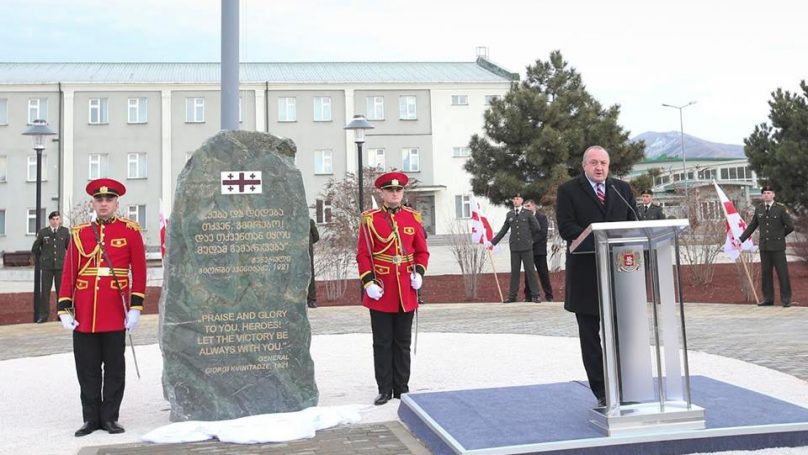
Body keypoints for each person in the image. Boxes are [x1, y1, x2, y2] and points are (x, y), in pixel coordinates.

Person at [57, 178, 146, 437]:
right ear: (93, 203)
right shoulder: (79, 233)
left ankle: (110, 417)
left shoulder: (130, 230)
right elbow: (68, 274)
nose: (104, 203)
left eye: (109, 199)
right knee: (87, 368)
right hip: (85, 312)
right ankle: (90, 418)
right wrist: (64, 308)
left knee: (115, 368)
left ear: (117, 203)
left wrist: (135, 307)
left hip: (115, 310)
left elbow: (138, 272)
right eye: (99, 200)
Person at [555, 145, 637, 407]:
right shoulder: (568, 191)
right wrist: (598, 236)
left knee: (621, 335)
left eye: (603, 163)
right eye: (594, 163)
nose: (599, 167)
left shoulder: (622, 190)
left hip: (618, 275)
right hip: (586, 276)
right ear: (584, 166)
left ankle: (625, 384)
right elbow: (566, 227)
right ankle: (602, 390)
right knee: (591, 337)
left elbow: (634, 223)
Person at [356, 171, 429, 406]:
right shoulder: (370, 219)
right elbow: (363, 254)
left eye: (398, 190)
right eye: (390, 190)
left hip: (405, 289)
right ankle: (385, 389)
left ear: (403, 193)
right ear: (382, 193)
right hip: (382, 287)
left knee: (403, 342)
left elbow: (421, 251)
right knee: (383, 342)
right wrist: (368, 282)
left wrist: (419, 272)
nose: (395, 194)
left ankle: (402, 388)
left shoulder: (412, 218)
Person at [738, 185, 794, 307]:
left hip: (778, 247)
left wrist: (780, 235)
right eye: (764, 193)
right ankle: (768, 299)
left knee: (782, 273)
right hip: (765, 247)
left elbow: (790, 226)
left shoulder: (780, 209)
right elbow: (752, 226)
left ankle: (786, 299)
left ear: (773, 195)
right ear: (762, 196)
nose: (767, 195)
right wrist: (741, 239)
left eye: (769, 193)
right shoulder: (759, 209)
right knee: (766, 273)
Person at [491, 193, 541, 303]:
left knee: (530, 271)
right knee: (514, 272)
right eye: (514, 199)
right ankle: (512, 296)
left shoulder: (527, 213)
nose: (515, 200)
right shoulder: (510, 214)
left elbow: (537, 228)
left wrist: (530, 239)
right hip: (515, 248)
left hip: (526, 247)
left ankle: (536, 295)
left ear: (522, 200)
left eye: (517, 198)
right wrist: (493, 242)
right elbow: (504, 230)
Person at [31, 210, 70, 323]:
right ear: (50, 220)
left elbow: (70, 248)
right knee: (45, 292)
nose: (55, 221)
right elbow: (35, 248)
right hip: (47, 267)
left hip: (60, 266)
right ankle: (43, 316)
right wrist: (43, 258)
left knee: (61, 292)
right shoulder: (43, 232)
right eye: (53, 219)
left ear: (60, 220)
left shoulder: (64, 231)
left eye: (57, 219)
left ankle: (61, 315)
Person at [523, 200, 554, 302]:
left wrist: (531, 241)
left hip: (539, 251)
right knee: (528, 274)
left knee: (543, 273)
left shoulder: (542, 217)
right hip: (528, 251)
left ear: (534, 206)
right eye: (525, 207)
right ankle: (528, 296)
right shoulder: (524, 218)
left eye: (528, 206)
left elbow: (542, 233)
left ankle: (549, 296)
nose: (527, 208)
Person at [307, 219, 319, 308]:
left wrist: (309, 244)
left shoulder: (309, 221)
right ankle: (311, 300)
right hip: (299, 252)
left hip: (307, 253)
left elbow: (316, 236)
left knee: (310, 274)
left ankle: (311, 299)